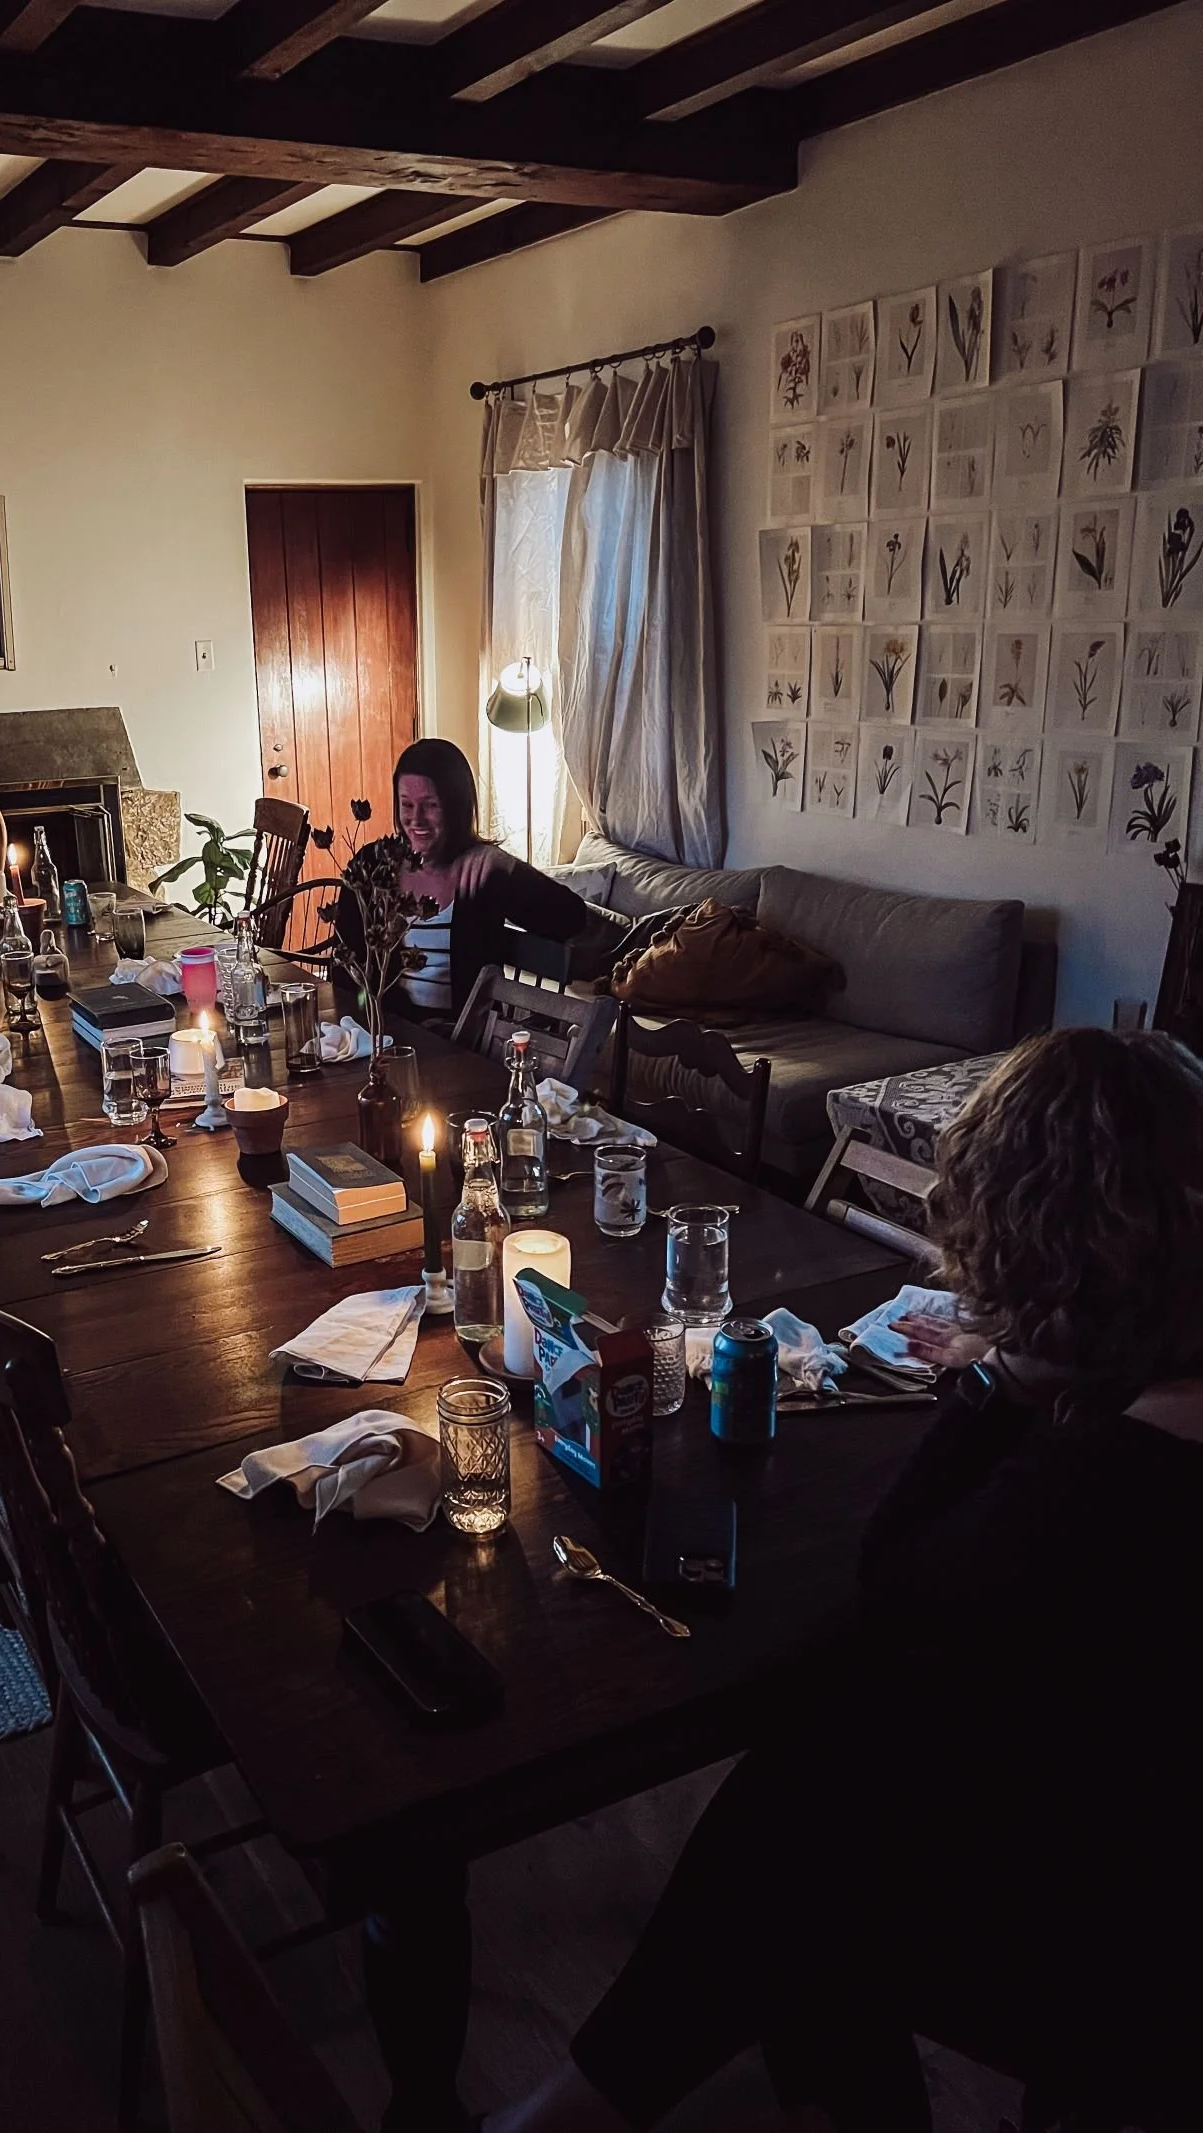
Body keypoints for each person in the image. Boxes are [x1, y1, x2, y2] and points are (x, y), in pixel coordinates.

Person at [483, 1028, 1203, 2133]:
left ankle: (586, 2107)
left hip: (1136, 1962)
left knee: (812, 1812)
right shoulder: (1162, 1392)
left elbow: (899, 1582)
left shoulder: (1112, 1477)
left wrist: (1000, 1380)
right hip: (1139, 1834)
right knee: (820, 1784)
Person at [336, 737, 586, 1022]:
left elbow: (571, 919)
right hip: (387, 1032)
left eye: (430, 805)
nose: (416, 819)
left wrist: (507, 865)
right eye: (407, 805)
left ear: (456, 807)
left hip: (462, 1038)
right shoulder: (372, 866)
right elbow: (344, 970)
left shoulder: (484, 869)